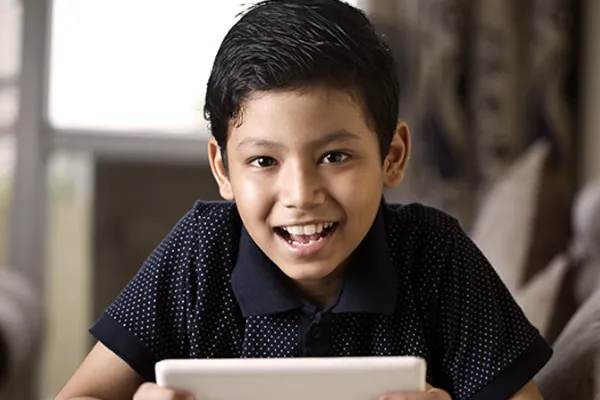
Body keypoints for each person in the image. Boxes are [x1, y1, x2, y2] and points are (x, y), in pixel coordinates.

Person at [55, 1, 552, 399]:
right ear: (223, 169)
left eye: (335, 156)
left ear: (392, 156)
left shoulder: (436, 256)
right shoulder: (199, 252)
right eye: (263, 161)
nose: (300, 196)